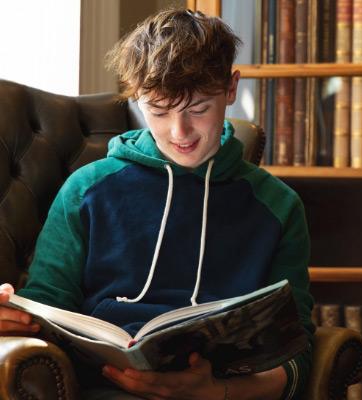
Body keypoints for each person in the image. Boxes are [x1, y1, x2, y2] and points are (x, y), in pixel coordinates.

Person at [0, 8, 314, 400]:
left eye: (198, 108)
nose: (179, 132)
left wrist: (218, 392)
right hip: (100, 388)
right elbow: (48, 308)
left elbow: (297, 347)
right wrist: (14, 318)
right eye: (159, 110)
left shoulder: (279, 207)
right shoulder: (87, 189)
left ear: (231, 88)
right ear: (136, 96)